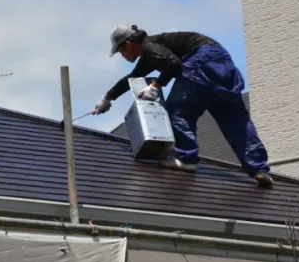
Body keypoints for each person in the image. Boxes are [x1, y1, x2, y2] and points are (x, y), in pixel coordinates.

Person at [92, 24, 273, 188]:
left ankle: (187, 159)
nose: (122, 56)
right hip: (222, 61)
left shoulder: (149, 47)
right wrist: (107, 98)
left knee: (177, 110)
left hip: (201, 58)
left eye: (120, 52)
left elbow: (174, 64)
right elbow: (132, 78)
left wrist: (155, 86)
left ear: (128, 44)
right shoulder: (151, 51)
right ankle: (259, 169)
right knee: (235, 121)